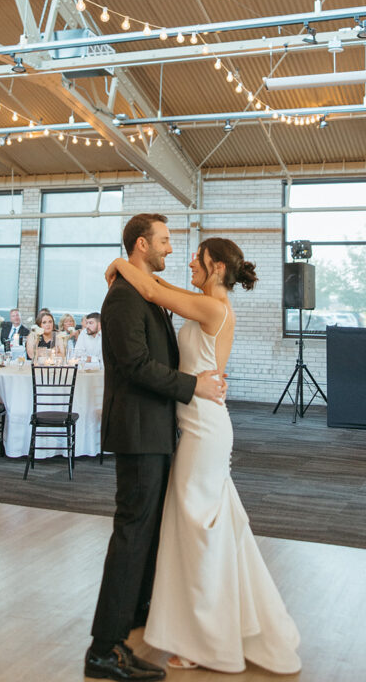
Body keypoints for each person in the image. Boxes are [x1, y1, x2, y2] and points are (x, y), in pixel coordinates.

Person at [104, 236, 301, 675]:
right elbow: (161, 292)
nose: (189, 260)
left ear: (215, 268)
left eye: (198, 257)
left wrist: (120, 260)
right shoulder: (205, 299)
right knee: (204, 526)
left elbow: (154, 292)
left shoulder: (214, 308)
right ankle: (206, 626)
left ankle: (204, 640)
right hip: (194, 424)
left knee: (198, 529)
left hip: (205, 429)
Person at [85, 213, 226, 682]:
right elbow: (137, 367)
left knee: (147, 532)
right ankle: (104, 649)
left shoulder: (144, 289)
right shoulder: (124, 297)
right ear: (142, 245)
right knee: (132, 533)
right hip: (139, 432)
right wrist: (194, 386)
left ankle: (134, 623)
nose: (171, 248)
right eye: (164, 241)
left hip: (158, 431)